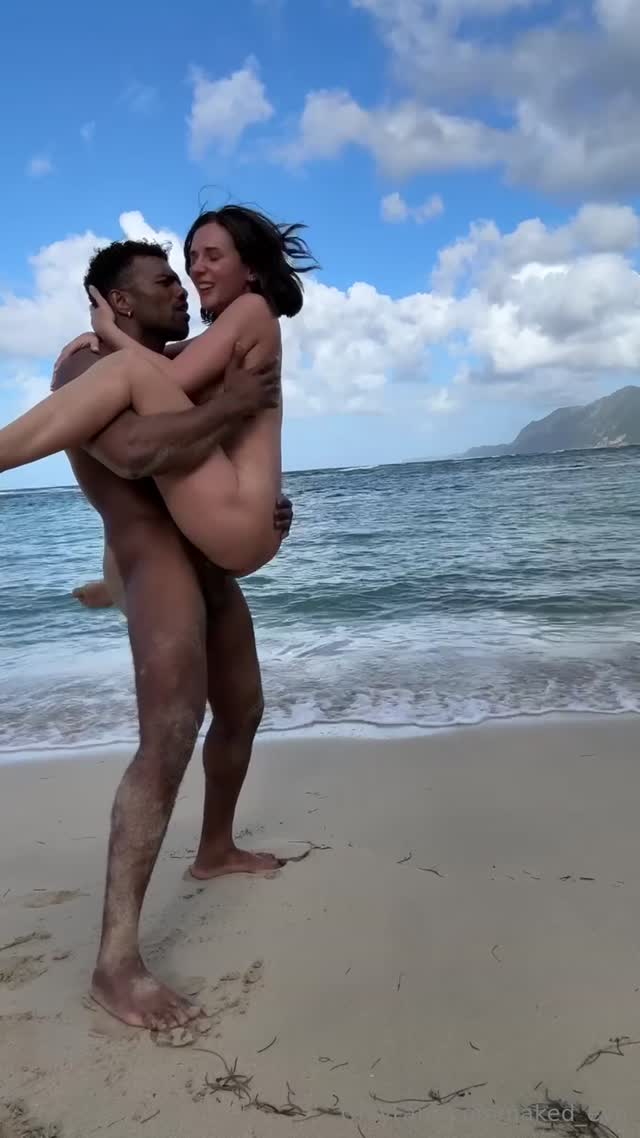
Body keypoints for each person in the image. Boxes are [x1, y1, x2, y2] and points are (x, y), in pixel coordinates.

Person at [46, 235, 295, 1032]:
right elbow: (131, 453)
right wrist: (229, 407)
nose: (183, 289)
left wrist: (260, 504)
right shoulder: (86, 364)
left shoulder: (172, 364)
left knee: (244, 708)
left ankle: (214, 849)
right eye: (164, 281)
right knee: (170, 735)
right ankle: (115, 962)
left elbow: (216, 456)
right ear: (120, 302)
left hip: (203, 558)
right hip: (153, 556)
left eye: (185, 277)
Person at [0, 206, 316, 577]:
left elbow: (168, 376)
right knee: (130, 371)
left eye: (213, 257)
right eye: (193, 257)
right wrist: (99, 339)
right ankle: (114, 582)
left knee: (126, 369)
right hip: (250, 526)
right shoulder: (234, 329)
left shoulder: (252, 308)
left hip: (238, 517)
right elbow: (163, 360)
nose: (197, 269)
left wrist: (107, 330)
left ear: (251, 269)